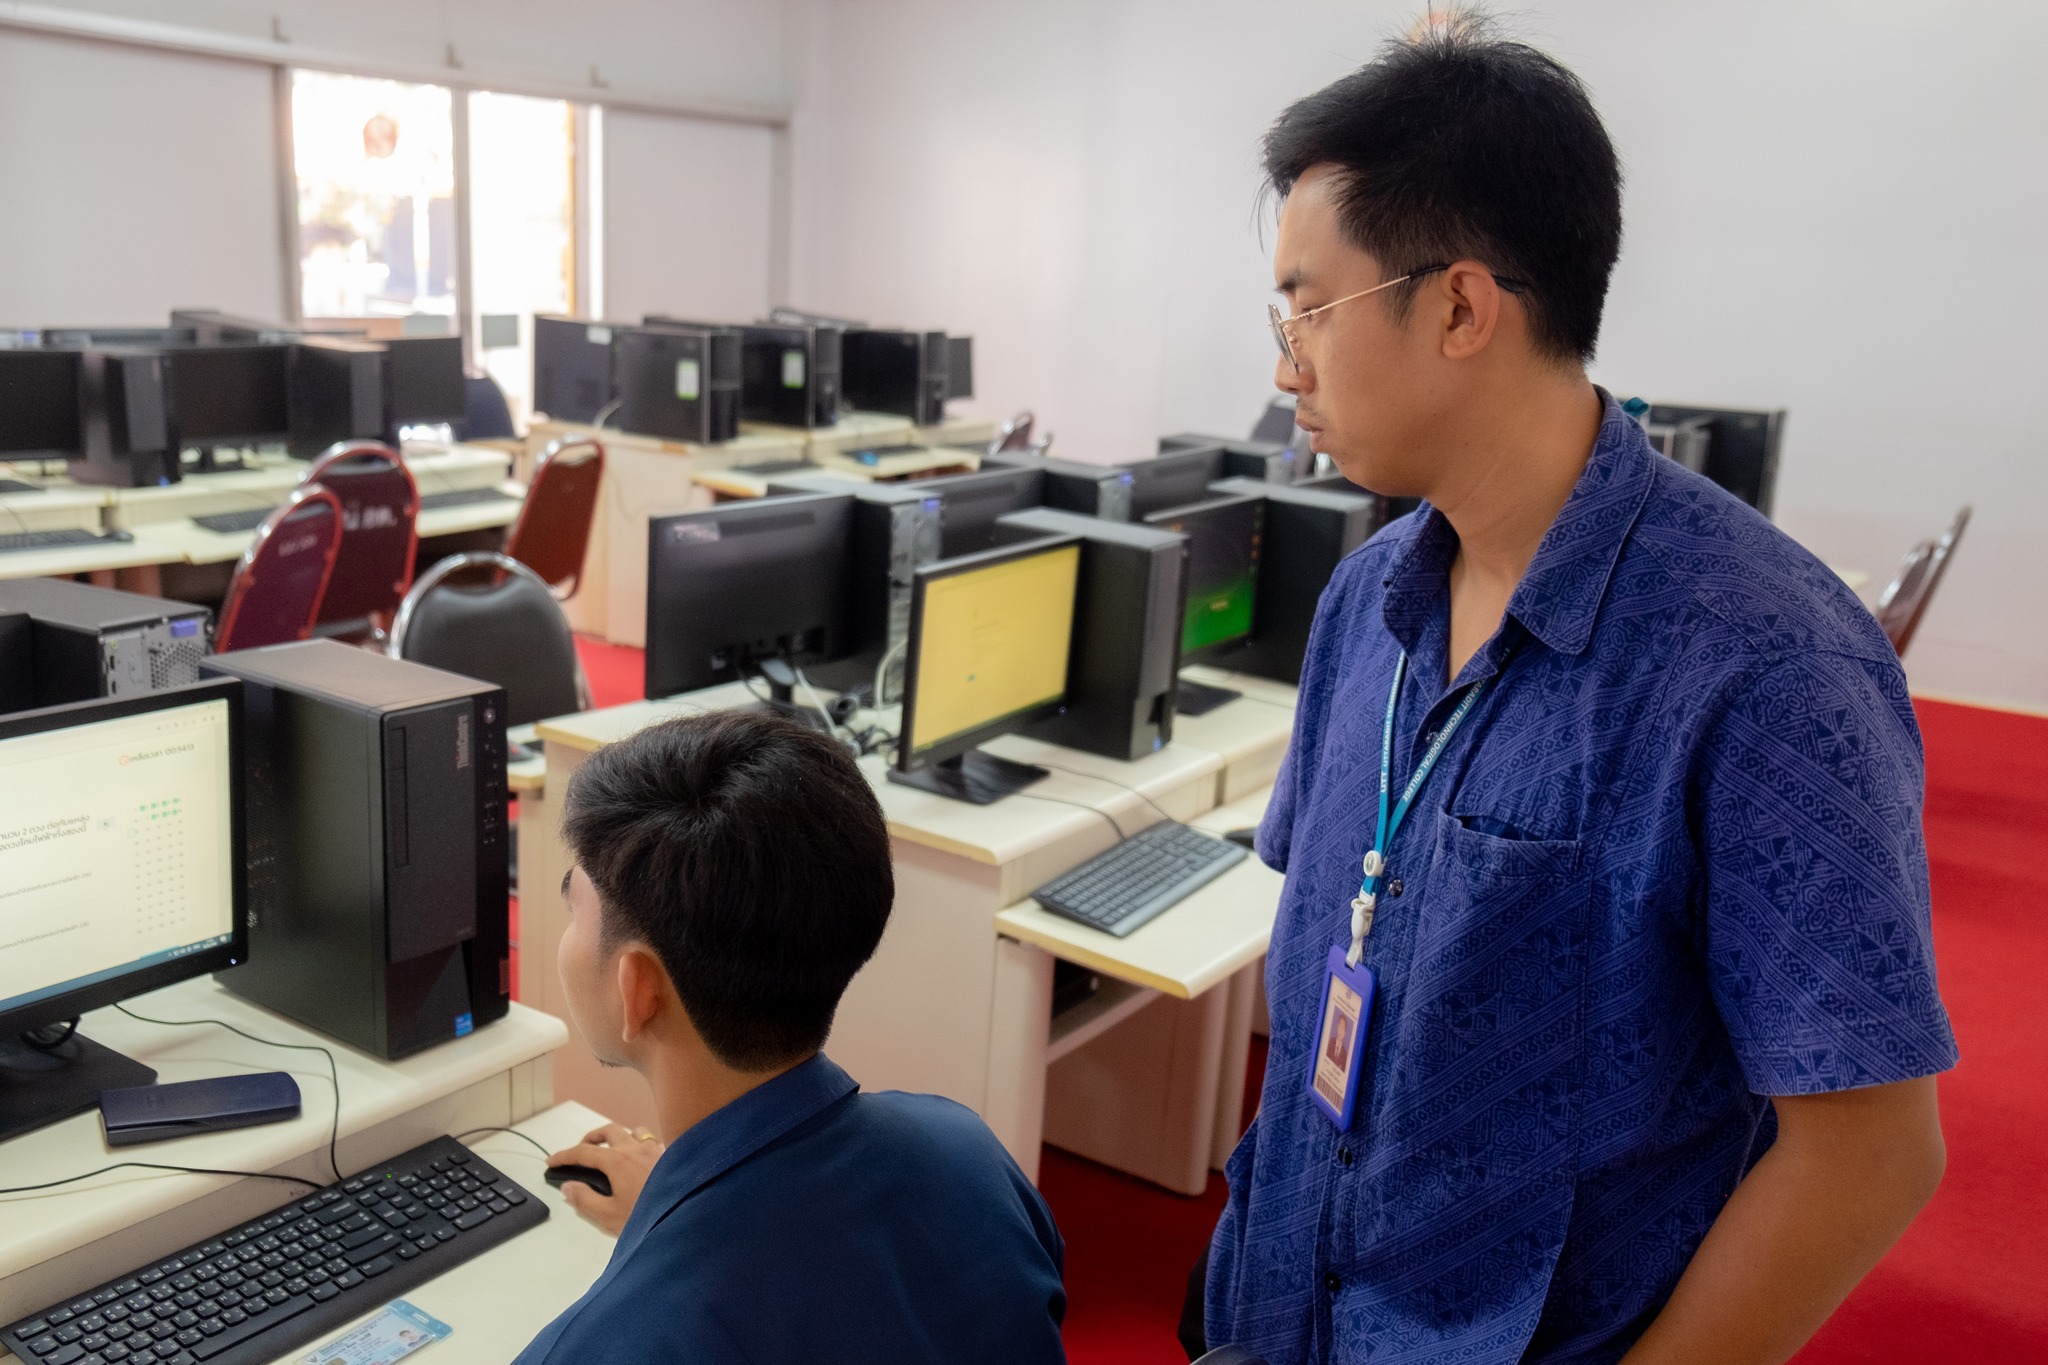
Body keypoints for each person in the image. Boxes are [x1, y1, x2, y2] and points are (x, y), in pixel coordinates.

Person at [1199, 15, 1957, 1365]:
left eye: (1307, 307)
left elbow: (1871, 1153)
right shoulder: (1362, 603)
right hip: (1280, 1314)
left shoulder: (1767, 665)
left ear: (1459, 306)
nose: (1283, 364)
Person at [512, 710, 1068, 1365]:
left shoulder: (610, 1343)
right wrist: (672, 1201)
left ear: (639, 989)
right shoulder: (969, 1154)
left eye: (573, 904)